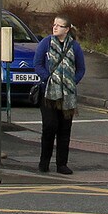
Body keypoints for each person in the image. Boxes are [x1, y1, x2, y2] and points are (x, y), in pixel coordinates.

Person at [37, 16, 86, 176]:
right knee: (49, 126)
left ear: (67, 29)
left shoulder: (74, 46)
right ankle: (44, 162)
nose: (55, 28)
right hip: (48, 92)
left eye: (59, 25)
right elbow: (37, 64)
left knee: (65, 129)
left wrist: (71, 82)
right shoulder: (45, 43)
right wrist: (48, 79)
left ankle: (62, 164)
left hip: (67, 94)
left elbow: (81, 69)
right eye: (54, 25)